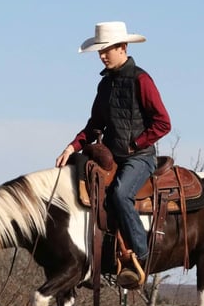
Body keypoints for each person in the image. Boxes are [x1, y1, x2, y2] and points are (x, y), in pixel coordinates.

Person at [56, 21, 172, 288]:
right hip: (113, 156)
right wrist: (72, 147)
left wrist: (136, 144)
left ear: (123, 47)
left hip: (139, 157)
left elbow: (163, 122)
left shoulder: (142, 80)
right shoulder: (105, 85)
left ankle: (143, 256)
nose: (102, 55)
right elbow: (95, 125)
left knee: (121, 194)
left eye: (107, 49)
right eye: (100, 50)